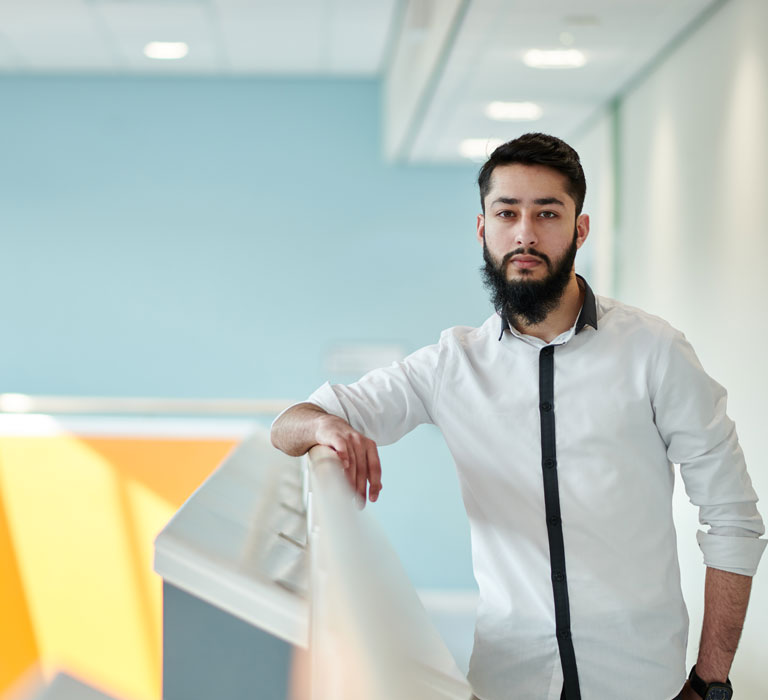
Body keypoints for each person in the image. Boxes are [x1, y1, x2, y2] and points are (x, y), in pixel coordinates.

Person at [270, 133, 765, 700]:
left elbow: (733, 518)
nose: (525, 234)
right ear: (483, 229)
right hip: (508, 682)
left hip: (640, 682)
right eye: (507, 213)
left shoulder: (655, 352)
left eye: (547, 213)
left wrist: (709, 681)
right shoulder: (451, 364)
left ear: (580, 229)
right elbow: (288, 424)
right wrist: (327, 426)